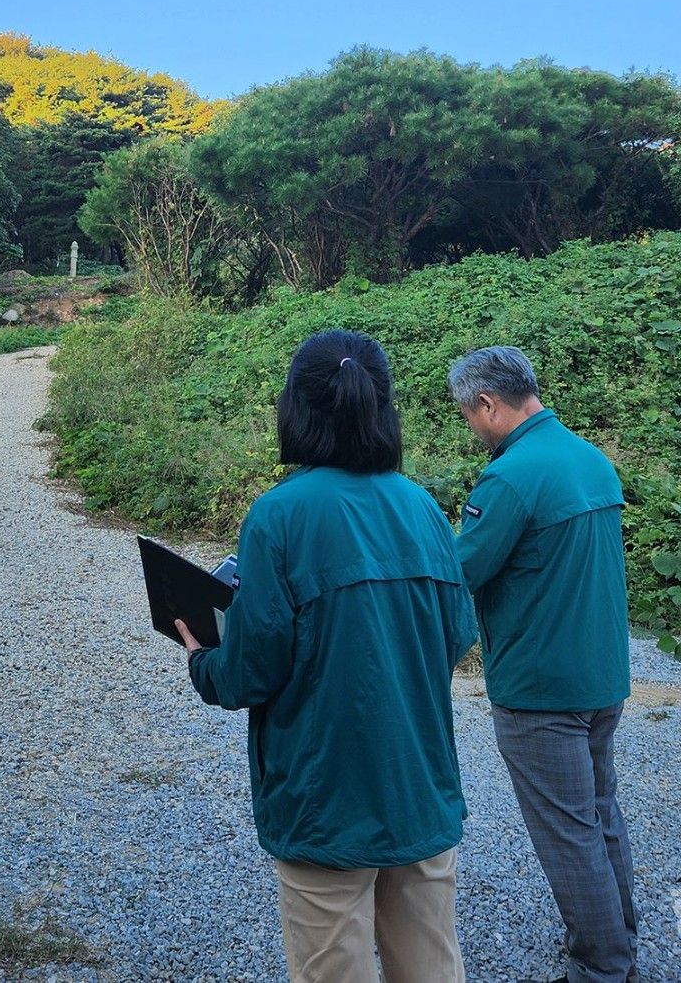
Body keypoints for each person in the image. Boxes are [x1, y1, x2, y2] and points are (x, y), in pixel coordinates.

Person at [176, 329, 476, 983]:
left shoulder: (279, 517)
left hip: (325, 799)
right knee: (433, 968)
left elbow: (250, 668)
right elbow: (457, 634)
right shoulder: (424, 507)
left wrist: (202, 656)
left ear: (296, 407)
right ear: (382, 407)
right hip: (420, 790)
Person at [448, 346, 637, 983]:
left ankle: (603, 965)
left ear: (488, 404)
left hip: (540, 687)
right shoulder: (589, 459)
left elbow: (461, 571)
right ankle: (620, 934)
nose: (471, 428)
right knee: (599, 812)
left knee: (567, 831)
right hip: (601, 673)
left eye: (467, 415)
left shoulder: (510, 478)